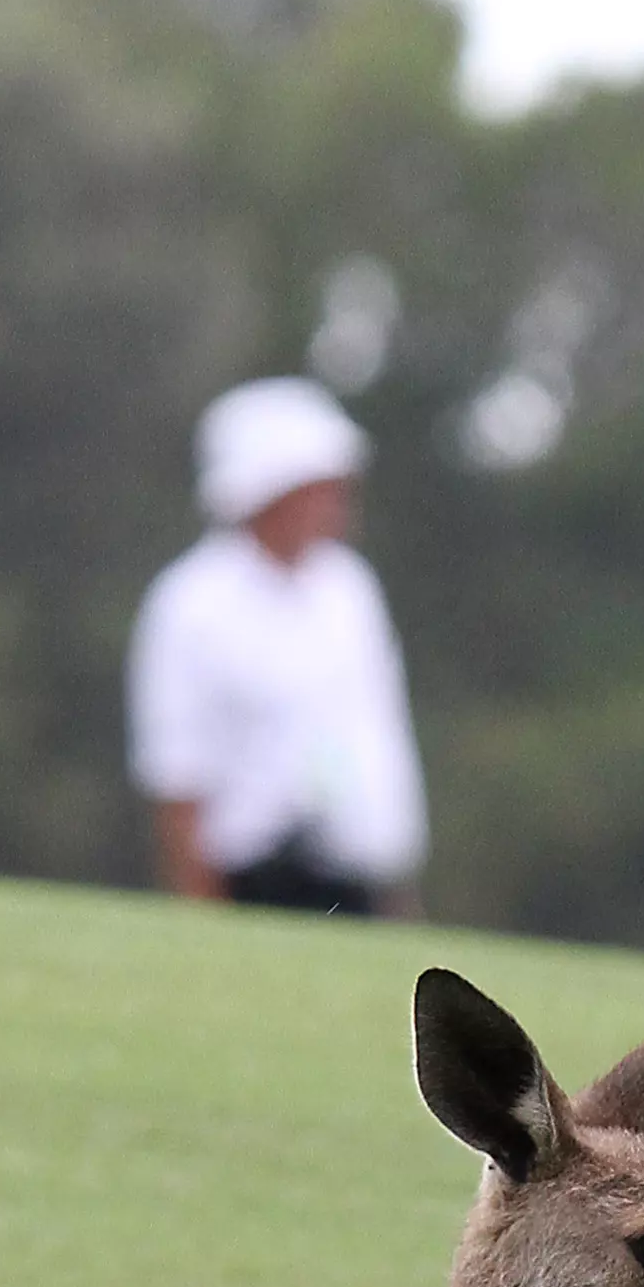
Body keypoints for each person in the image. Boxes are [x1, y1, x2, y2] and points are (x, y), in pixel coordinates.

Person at [126, 376, 428, 918]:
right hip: (253, 885)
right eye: (321, 485)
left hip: (354, 883)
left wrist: (395, 888)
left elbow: (375, 738)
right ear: (271, 489)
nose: (338, 501)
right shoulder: (192, 603)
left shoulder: (349, 591)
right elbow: (177, 775)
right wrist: (203, 917)